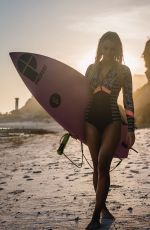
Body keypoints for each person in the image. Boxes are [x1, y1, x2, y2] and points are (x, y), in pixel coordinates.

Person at [84, 31, 135, 230]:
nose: (108, 52)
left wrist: (130, 128)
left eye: (113, 49)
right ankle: (103, 207)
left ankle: (95, 217)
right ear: (100, 48)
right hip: (90, 119)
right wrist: (71, 124)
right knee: (96, 166)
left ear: (118, 51)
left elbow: (128, 100)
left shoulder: (124, 71)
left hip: (112, 119)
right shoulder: (90, 69)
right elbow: (81, 97)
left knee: (104, 162)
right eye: (105, 48)